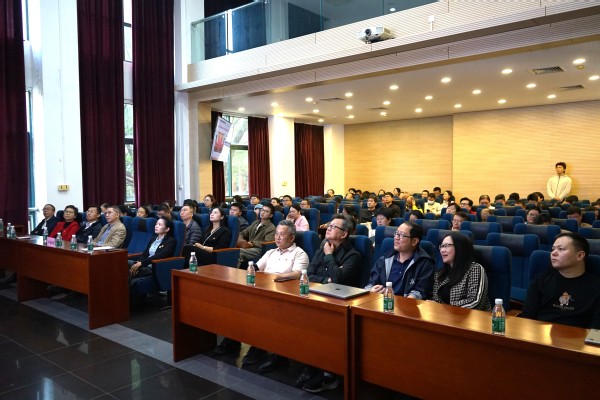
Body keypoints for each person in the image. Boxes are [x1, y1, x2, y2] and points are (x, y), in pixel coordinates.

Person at [299, 214, 361, 392]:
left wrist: (329, 257)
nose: (328, 228)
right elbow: (309, 274)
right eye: (329, 226)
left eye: (334, 227)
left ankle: (328, 373)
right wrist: (327, 279)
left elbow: (339, 279)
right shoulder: (322, 249)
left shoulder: (353, 255)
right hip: (317, 296)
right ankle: (310, 365)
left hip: (340, 303)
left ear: (344, 234)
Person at [239, 220, 310, 370]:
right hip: (264, 291)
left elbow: (298, 274)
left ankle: (276, 354)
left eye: (282, 234)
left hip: (284, 296)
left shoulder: (299, 254)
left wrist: (275, 277)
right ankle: (249, 343)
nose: (277, 237)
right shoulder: (270, 252)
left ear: (292, 237)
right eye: (276, 234)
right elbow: (256, 268)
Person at [520, 233, 600, 328]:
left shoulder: (596, 287)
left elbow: (596, 329)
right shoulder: (542, 280)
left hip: (580, 336)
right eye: (553, 249)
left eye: (561, 249)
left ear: (579, 255)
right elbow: (527, 316)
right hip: (541, 333)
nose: (553, 253)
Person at [365, 221, 435, 299]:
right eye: (396, 233)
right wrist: (371, 291)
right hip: (382, 302)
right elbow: (370, 284)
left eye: (401, 235)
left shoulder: (424, 263)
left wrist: (404, 302)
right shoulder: (385, 259)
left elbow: (421, 292)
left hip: (408, 304)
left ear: (414, 241)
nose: (396, 238)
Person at [432, 232, 491, 310]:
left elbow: (475, 302)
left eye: (446, 246)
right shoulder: (440, 273)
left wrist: (447, 309)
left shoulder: (475, 269)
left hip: (472, 316)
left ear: (459, 248)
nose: (442, 250)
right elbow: (436, 299)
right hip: (445, 315)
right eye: (442, 246)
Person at [237, 203, 276, 268]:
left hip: (259, 250)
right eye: (262, 210)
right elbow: (242, 233)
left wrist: (252, 243)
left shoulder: (271, 227)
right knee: (232, 251)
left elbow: (267, 243)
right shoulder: (256, 223)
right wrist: (241, 240)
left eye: (266, 211)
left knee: (238, 253)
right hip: (250, 247)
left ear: (270, 215)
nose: (262, 212)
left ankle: (235, 273)